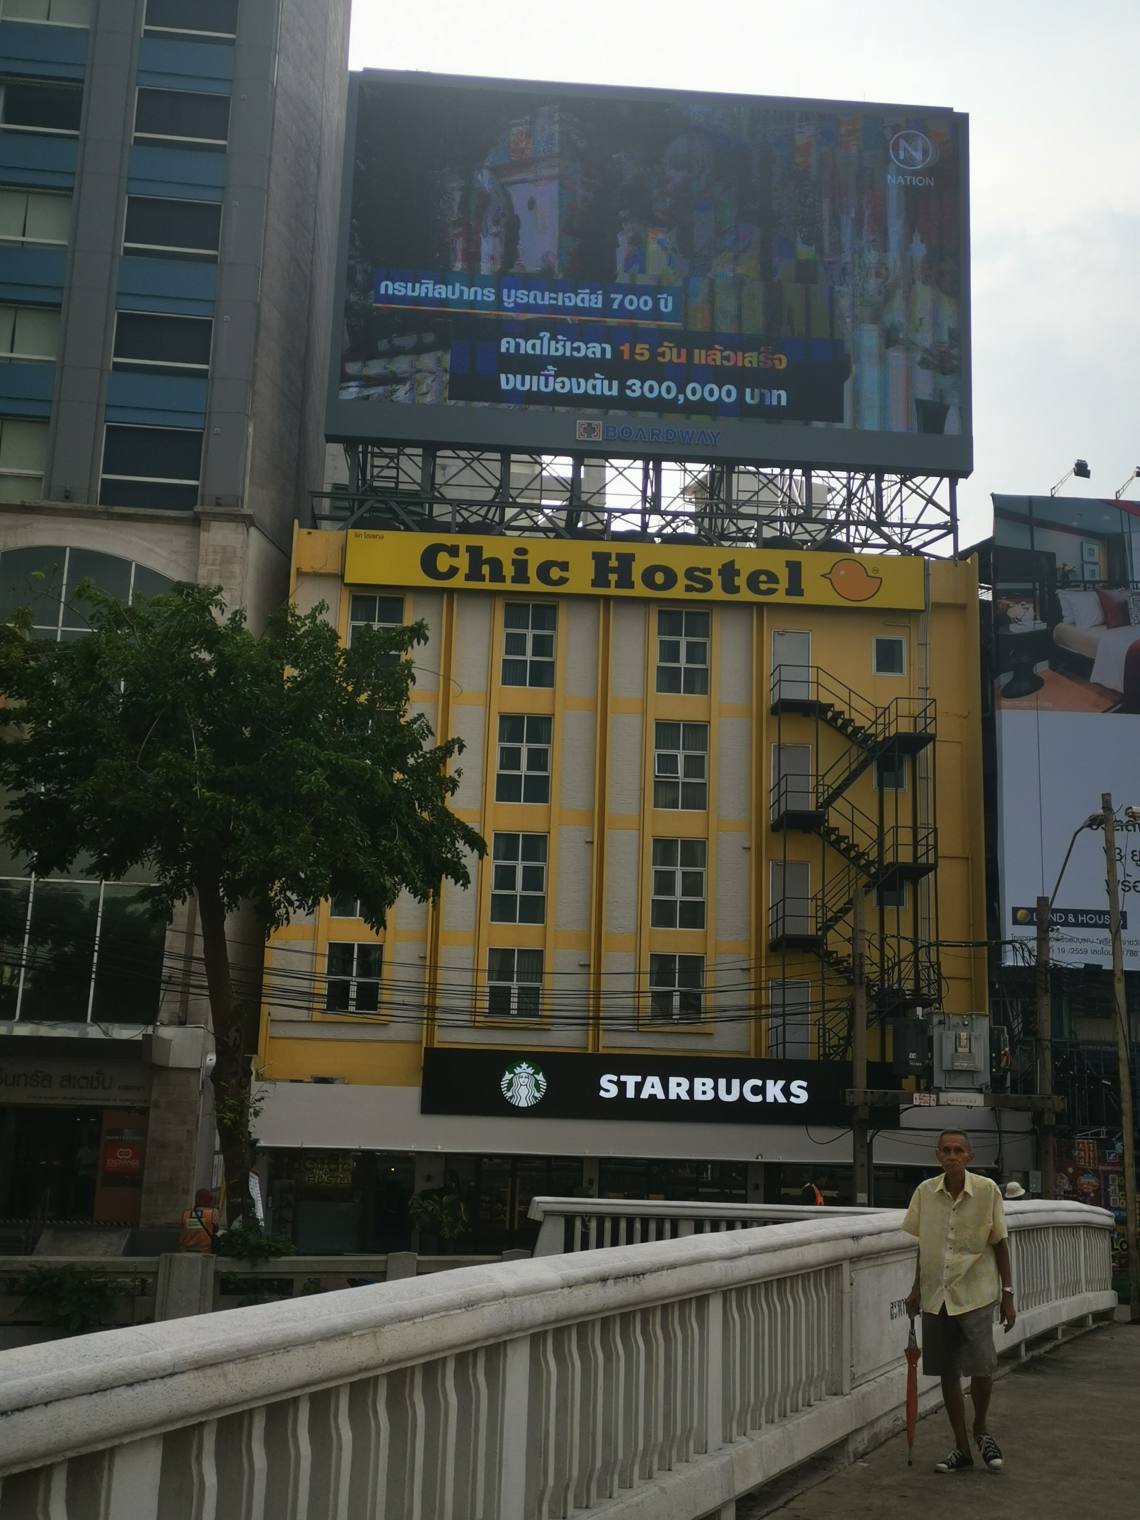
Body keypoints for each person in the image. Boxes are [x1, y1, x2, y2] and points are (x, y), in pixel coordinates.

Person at [901, 1130, 1016, 1474]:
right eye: (946, 1150)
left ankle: (980, 1428)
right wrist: (916, 1289)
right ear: (938, 1156)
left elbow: (1000, 1243)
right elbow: (925, 1246)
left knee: (982, 1367)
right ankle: (962, 1447)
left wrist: (1008, 1294)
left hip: (975, 1292)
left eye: (958, 1151)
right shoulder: (924, 1192)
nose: (952, 1156)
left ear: (969, 1157)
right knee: (947, 1371)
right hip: (937, 1294)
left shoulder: (987, 1190)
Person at [180, 1187, 221, 1254]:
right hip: (206, 1251)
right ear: (209, 1200)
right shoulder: (213, 1212)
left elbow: (183, 1229)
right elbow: (216, 1229)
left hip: (187, 1251)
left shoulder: (186, 1214)